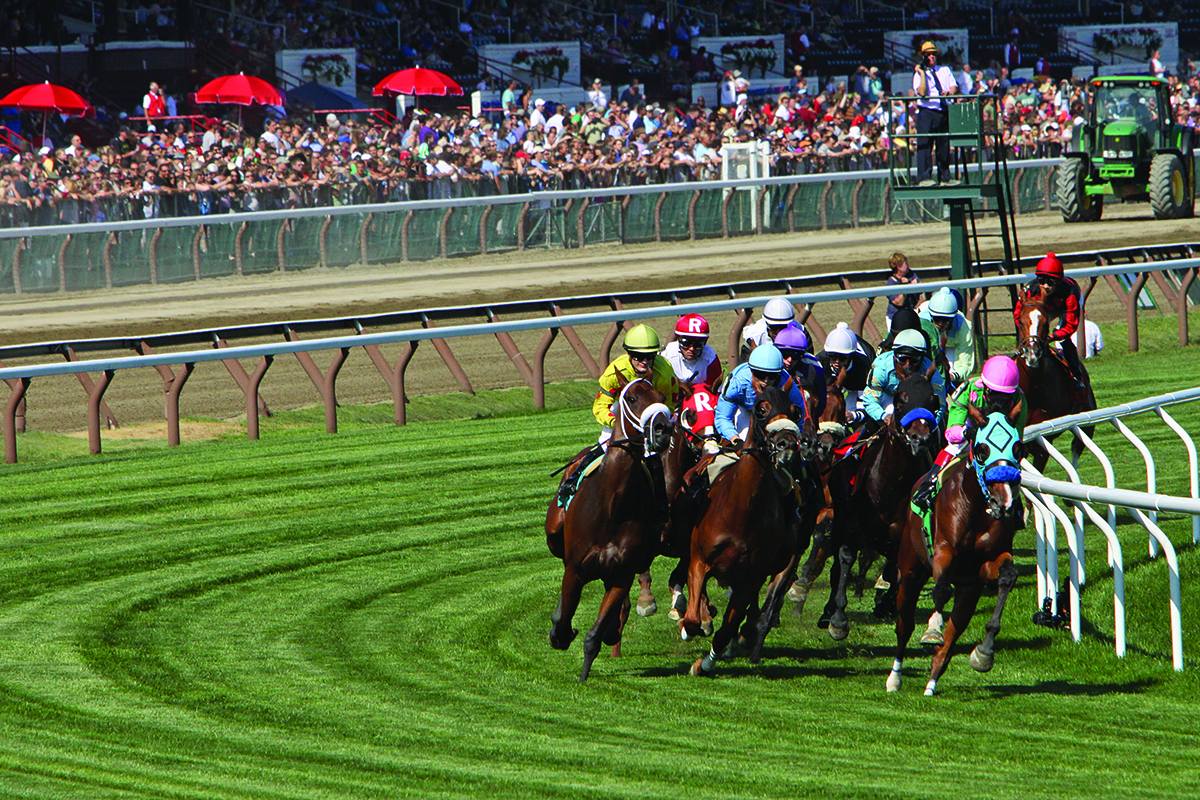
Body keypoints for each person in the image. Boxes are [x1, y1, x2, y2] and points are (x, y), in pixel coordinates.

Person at [912, 355, 1025, 511]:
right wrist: (966, 432)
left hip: (1001, 437)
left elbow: (1017, 436)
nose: (999, 399)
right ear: (985, 387)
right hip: (970, 429)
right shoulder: (968, 390)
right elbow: (951, 431)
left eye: (1005, 396)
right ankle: (929, 486)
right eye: (994, 393)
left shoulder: (1020, 398)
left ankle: (1016, 504)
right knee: (952, 448)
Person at [592, 324, 678, 447]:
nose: (644, 362)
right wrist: (617, 422)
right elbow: (601, 408)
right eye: (639, 357)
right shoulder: (613, 374)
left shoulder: (664, 373)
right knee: (604, 450)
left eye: (649, 357)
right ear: (629, 354)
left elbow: (669, 405)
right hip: (621, 411)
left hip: (655, 412)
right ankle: (589, 463)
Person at [1013, 252, 1084, 386]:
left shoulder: (1070, 292)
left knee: (1063, 339)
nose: (1045, 286)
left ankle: (1076, 375)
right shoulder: (1030, 290)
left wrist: (1052, 336)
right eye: (1041, 280)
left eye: (1051, 282)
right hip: (1042, 308)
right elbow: (1018, 315)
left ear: (1058, 281)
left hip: (1063, 309)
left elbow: (1071, 325)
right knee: (1029, 335)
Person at [715, 343, 806, 444]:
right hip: (745, 409)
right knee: (746, 440)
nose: (766, 381)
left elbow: (800, 418)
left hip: (775, 414)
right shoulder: (737, 384)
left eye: (772, 375)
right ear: (751, 372)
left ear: (779, 374)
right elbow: (723, 417)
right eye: (760, 375)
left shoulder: (787, 384)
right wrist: (735, 439)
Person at [862, 329, 946, 427]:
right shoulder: (881, 368)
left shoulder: (932, 373)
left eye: (914, 360)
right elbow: (869, 400)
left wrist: (931, 423)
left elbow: (940, 405)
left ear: (922, 359)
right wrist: (883, 416)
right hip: (887, 399)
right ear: (894, 356)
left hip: (920, 403)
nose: (907, 365)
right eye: (902, 359)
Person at [912, 41, 958, 185]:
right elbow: (922, 92)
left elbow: (954, 86)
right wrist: (922, 72)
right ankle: (924, 177)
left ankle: (945, 177)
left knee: (943, 145)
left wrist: (949, 92)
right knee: (925, 145)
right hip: (927, 112)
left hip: (943, 110)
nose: (931, 57)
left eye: (933, 54)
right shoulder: (919, 75)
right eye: (928, 55)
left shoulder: (944, 70)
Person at [917, 286, 976, 387]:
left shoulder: (962, 327)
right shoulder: (921, 321)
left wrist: (953, 376)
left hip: (951, 348)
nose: (940, 323)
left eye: (945, 320)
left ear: (953, 318)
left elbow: (965, 363)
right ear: (930, 315)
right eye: (937, 318)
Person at [817, 321, 876, 422]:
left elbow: (868, 402)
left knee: (852, 415)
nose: (837, 362)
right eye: (832, 356)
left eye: (842, 358)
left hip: (856, 387)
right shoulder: (820, 362)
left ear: (851, 357)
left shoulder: (863, 367)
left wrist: (854, 415)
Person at [774, 323, 826, 422]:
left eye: (795, 355)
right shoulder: (769, 362)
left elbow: (821, 400)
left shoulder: (814, 367)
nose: (789, 360)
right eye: (785, 354)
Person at [660, 313, 723, 389]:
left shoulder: (711, 357)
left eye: (698, 344)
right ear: (678, 340)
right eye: (686, 343)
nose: (692, 348)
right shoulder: (667, 355)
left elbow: (715, 393)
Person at [885, 252, 921, 329]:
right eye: (905, 263)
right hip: (895, 318)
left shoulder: (910, 274)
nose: (908, 265)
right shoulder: (891, 283)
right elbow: (899, 302)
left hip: (911, 314)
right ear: (899, 267)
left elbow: (921, 286)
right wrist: (906, 286)